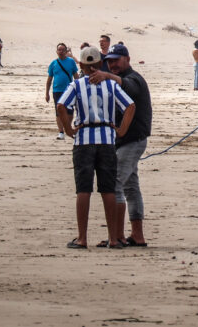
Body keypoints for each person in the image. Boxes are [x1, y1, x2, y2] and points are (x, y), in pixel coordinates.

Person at [56, 46, 135, 249]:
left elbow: (61, 106)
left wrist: (68, 130)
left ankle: (82, 238)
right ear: (100, 64)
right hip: (107, 140)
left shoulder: (76, 85)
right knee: (108, 189)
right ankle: (114, 238)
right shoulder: (110, 85)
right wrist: (121, 130)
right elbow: (130, 106)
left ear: (81, 65)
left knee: (83, 189)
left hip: (83, 140)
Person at [89, 43, 152, 248]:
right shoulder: (117, 80)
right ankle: (137, 235)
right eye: (110, 62)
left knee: (115, 184)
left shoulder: (134, 79)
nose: (113, 64)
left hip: (133, 141)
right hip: (123, 141)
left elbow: (128, 87)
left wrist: (108, 76)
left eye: (116, 60)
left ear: (127, 59)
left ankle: (117, 236)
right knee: (131, 186)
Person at [46, 42, 80, 140]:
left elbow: (76, 76)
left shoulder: (71, 62)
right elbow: (49, 80)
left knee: (70, 111)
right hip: (57, 90)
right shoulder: (53, 63)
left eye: (62, 50)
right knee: (58, 112)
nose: (60, 52)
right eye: (59, 50)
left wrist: (79, 88)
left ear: (66, 51)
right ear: (56, 51)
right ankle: (61, 132)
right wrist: (47, 93)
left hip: (69, 90)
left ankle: (67, 128)